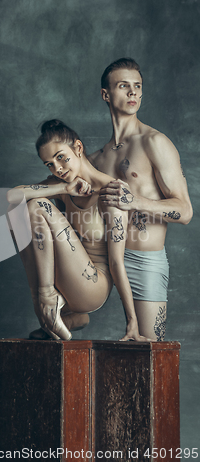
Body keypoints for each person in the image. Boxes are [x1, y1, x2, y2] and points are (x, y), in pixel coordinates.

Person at [7, 119, 150, 342]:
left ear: (79, 148)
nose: (58, 168)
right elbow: (11, 197)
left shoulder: (111, 192)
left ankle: (46, 299)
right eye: (49, 164)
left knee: (36, 205)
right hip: (67, 282)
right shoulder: (64, 183)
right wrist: (64, 188)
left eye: (61, 157)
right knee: (17, 211)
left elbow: (116, 263)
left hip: (93, 285)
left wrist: (132, 323)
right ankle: (61, 314)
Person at [89, 58, 193, 341]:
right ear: (106, 94)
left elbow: (184, 211)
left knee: (149, 349)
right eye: (124, 86)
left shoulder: (154, 142)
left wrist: (135, 201)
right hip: (100, 257)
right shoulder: (96, 158)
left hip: (143, 260)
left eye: (138, 87)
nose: (133, 93)